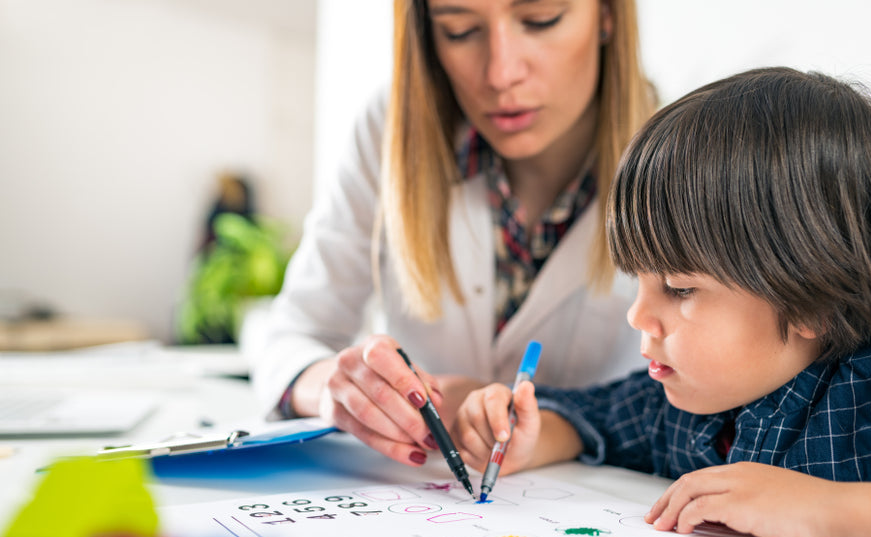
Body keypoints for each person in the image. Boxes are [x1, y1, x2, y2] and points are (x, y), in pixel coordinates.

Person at [453, 67, 871, 537]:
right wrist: (530, 432)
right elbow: (593, 418)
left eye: (679, 288)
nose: (639, 316)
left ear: (812, 299)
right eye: (638, 283)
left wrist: (826, 511)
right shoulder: (686, 401)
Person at [250, 0, 655, 468]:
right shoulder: (390, 131)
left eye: (541, 20)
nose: (501, 73)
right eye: (459, 30)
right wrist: (336, 388)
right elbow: (291, 338)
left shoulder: (694, 160)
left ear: (607, 15)